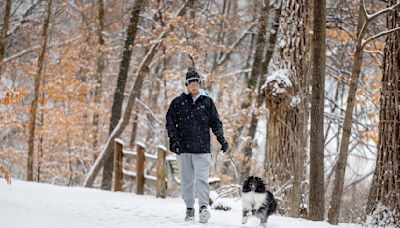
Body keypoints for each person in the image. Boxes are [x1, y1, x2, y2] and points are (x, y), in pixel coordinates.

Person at [166, 67, 229, 223]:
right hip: (184, 148)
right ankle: (189, 208)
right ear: (186, 85)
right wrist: (173, 140)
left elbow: (215, 122)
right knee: (187, 181)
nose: (194, 86)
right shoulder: (178, 103)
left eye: (196, 83)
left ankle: (203, 208)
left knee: (201, 179)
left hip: (202, 149)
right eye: (191, 83)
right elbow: (170, 122)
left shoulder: (207, 102)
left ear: (199, 84)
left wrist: (222, 139)